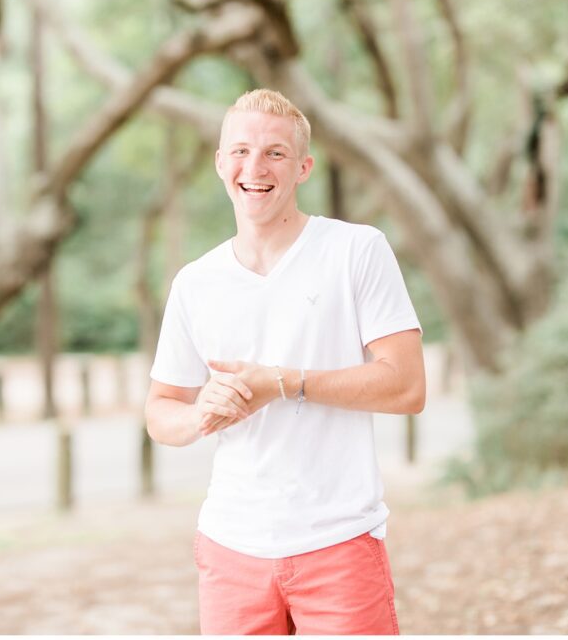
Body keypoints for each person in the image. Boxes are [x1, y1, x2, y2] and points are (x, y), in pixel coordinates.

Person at [144, 88, 426, 635]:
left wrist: (282, 383)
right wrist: (201, 411)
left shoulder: (355, 251)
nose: (256, 167)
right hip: (231, 548)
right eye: (241, 151)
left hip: (339, 541)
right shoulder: (195, 283)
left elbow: (406, 386)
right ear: (220, 162)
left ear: (303, 168)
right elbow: (161, 412)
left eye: (275, 152)